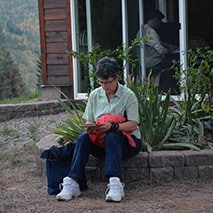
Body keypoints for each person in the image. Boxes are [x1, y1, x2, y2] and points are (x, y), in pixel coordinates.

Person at [56, 56, 142, 202]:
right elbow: (89, 120)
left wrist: (113, 126)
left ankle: (115, 183)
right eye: (101, 82)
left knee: (112, 135)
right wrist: (92, 128)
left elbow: (133, 124)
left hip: (127, 142)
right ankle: (73, 181)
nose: (104, 86)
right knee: (83, 137)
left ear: (116, 78)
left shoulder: (128, 96)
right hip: (101, 140)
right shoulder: (95, 95)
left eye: (108, 82)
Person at [139, 9, 174, 86]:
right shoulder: (151, 32)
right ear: (156, 19)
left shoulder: (141, 30)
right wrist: (169, 50)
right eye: (160, 21)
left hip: (144, 62)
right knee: (173, 64)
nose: (160, 24)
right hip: (154, 63)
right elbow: (160, 50)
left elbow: (152, 43)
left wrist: (165, 44)